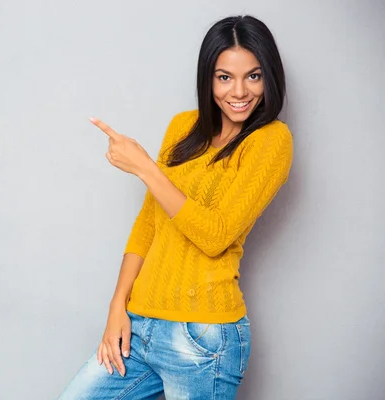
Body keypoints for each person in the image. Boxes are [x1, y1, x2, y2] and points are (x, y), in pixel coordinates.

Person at [58, 15, 293, 400]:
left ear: (269, 76)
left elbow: (215, 235)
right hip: (140, 323)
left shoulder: (271, 141)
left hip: (202, 339)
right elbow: (148, 225)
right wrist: (118, 305)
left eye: (253, 76)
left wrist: (146, 169)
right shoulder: (183, 127)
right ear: (207, 79)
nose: (239, 91)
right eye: (224, 77)